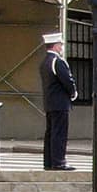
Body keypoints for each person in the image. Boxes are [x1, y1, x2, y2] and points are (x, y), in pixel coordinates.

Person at [38, 29, 76, 171]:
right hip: (60, 102)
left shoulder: (44, 62)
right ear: (55, 46)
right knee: (59, 133)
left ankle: (49, 161)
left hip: (49, 102)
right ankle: (59, 161)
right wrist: (73, 93)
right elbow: (67, 80)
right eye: (60, 44)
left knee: (51, 133)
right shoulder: (57, 61)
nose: (61, 47)